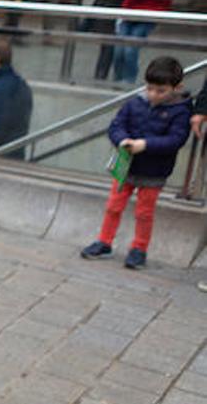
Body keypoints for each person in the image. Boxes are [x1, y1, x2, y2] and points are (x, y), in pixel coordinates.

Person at [81, 56, 192, 270]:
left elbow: (176, 140)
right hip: (126, 165)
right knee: (114, 205)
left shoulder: (180, 111)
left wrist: (146, 144)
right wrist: (121, 140)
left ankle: (139, 248)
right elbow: (116, 125)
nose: (153, 95)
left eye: (161, 91)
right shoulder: (135, 103)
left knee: (144, 212)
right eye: (150, 88)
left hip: (154, 171)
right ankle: (104, 241)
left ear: (177, 88)